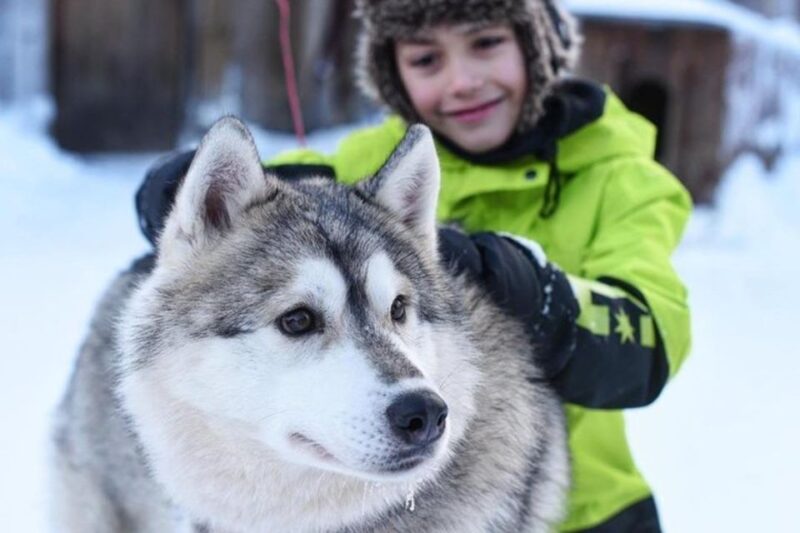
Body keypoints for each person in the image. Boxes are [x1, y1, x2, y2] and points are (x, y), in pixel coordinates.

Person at [134, 0, 692, 530]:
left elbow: (649, 341)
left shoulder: (623, 182)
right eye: (427, 59)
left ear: (537, 45)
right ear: (394, 73)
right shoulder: (369, 165)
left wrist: (528, 285)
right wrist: (182, 191)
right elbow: (283, 191)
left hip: (588, 514)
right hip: (370, 501)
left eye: (487, 42)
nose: (463, 80)